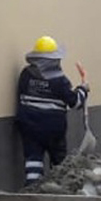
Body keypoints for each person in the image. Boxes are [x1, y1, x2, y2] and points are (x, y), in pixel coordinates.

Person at [15, 35, 88, 186]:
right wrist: (83, 89)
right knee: (58, 160)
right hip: (53, 128)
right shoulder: (59, 80)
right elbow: (75, 103)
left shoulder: (26, 74)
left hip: (29, 126)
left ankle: (32, 192)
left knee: (33, 160)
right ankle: (58, 189)